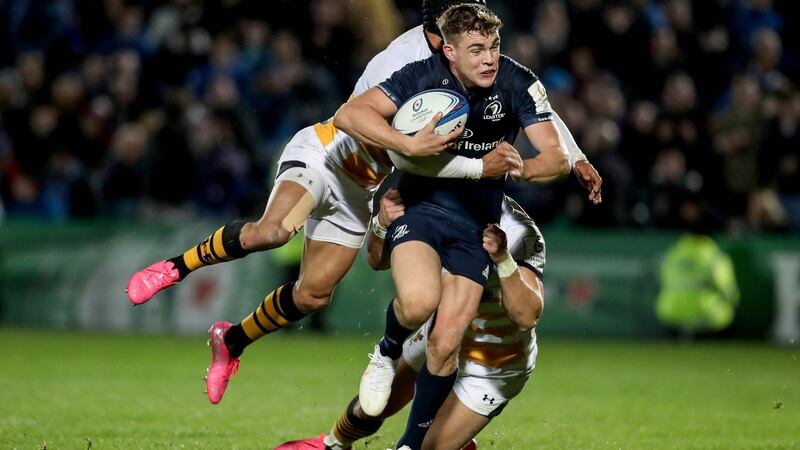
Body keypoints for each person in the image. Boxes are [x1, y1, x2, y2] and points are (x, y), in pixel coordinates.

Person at [125, 0, 600, 406]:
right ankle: (175, 267)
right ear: (440, 36)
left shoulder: (469, 55)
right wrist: (415, 147)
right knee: (273, 231)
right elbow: (357, 121)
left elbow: (526, 94)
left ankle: (229, 341)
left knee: (312, 294)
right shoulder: (407, 61)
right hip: (327, 156)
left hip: (362, 191)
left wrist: (574, 156)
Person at [333, 4, 568, 448]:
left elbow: (557, 158)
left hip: (477, 234)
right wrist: (406, 143)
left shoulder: (518, 83)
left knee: (444, 341)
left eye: (494, 47)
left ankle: (408, 445)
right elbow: (349, 115)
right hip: (423, 207)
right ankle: (383, 353)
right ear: (449, 52)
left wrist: (521, 167)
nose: (489, 59)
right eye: (476, 49)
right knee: (420, 304)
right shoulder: (421, 76)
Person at [275, 189, 545, 450]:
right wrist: (382, 224)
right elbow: (377, 260)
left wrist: (503, 259)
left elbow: (526, 316)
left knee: (428, 446)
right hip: (440, 332)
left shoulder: (517, 230)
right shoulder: (430, 197)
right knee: (374, 404)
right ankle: (333, 445)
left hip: (494, 364)